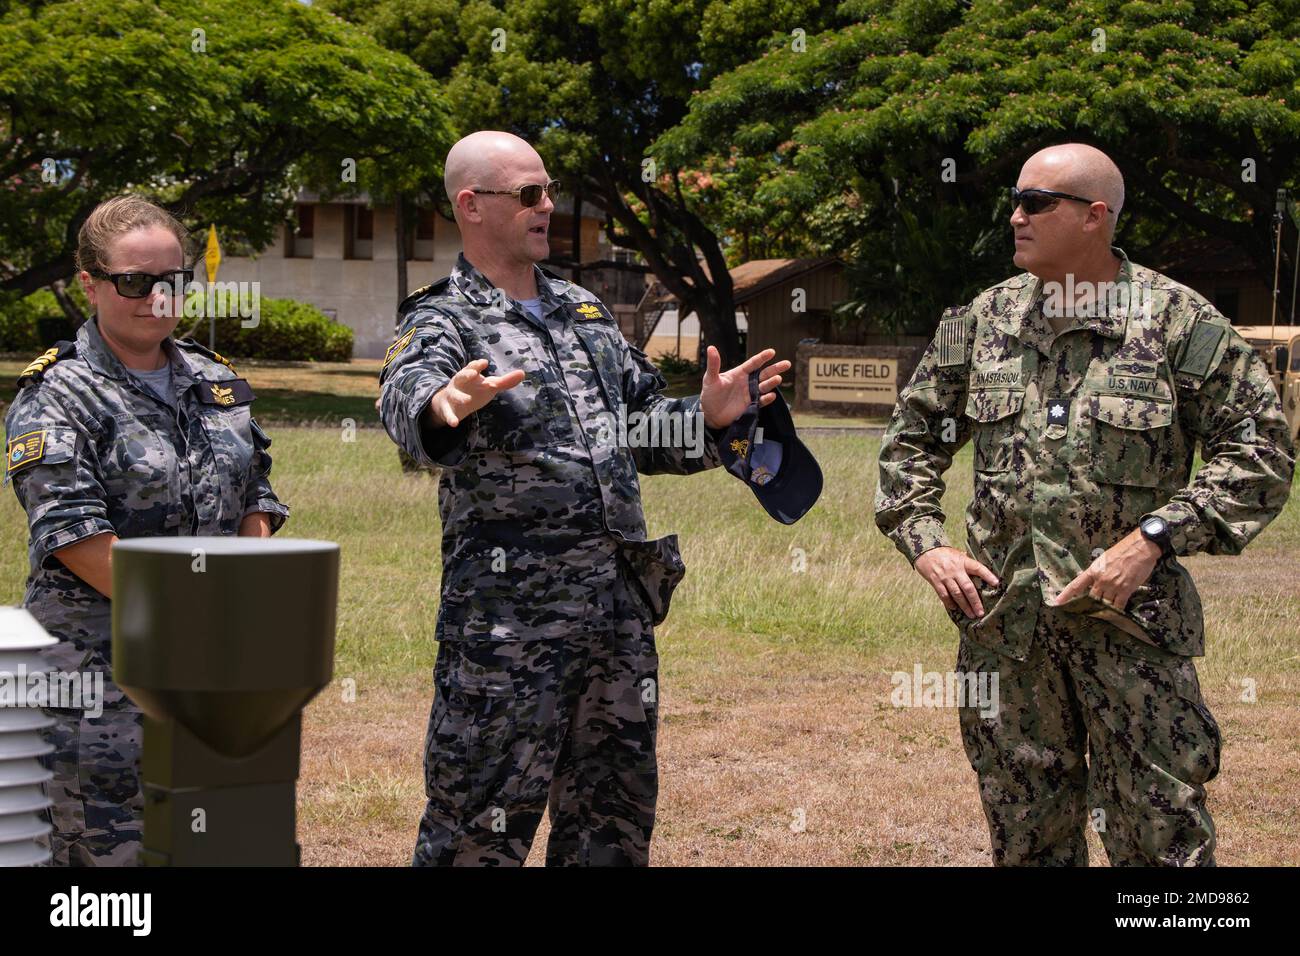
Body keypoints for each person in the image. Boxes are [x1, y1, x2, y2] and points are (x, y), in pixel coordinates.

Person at [874, 143, 1295, 866]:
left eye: (1037, 203)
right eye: (1015, 201)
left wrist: (1155, 537)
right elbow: (910, 444)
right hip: (1006, 637)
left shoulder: (1179, 323)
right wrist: (926, 542)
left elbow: (1261, 456)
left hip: (1132, 636)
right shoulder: (982, 321)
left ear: (1095, 217)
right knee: (1026, 837)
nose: (1016, 217)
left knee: (1160, 840)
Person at [380, 130, 791, 866]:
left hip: (615, 621)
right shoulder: (442, 318)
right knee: (478, 828)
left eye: (550, 191)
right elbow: (410, 408)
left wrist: (709, 418)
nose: (548, 207)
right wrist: (443, 407)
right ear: (471, 206)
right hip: (509, 633)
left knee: (612, 822)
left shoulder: (584, 311)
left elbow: (639, 427)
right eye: (529, 195)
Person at [4, 195, 290, 865]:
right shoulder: (57, 395)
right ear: (90, 284)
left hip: (213, 673)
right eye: (134, 281)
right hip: (102, 683)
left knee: (211, 842)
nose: (155, 297)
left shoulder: (217, 384)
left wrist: (244, 592)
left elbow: (258, 495)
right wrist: (206, 615)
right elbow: (77, 538)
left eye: (171, 281)